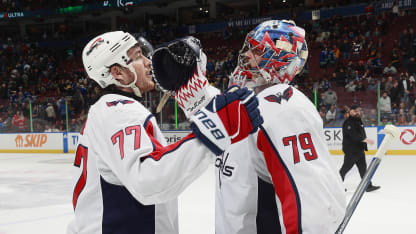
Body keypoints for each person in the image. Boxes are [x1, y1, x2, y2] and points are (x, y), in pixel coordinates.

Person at [67, 31, 262, 234]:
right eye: (137, 56)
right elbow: (148, 180)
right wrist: (212, 130)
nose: (147, 61)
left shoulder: (109, 110)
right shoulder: (119, 112)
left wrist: (199, 99)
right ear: (118, 73)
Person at [216, 20, 346, 234]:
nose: (246, 55)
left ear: (279, 60)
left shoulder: (283, 109)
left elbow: (306, 196)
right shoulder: (254, 103)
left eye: (256, 50)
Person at [339, 105, 380, 192]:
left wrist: (364, 143)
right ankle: (337, 187)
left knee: (363, 169)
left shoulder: (358, 121)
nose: (357, 112)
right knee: (345, 169)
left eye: (359, 111)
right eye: (355, 111)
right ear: (350, 112)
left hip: (359, 150)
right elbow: (353, 135)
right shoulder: (348, 122)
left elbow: (360, 133)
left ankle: (368, 186)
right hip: (351, 150)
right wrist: (365, 140)